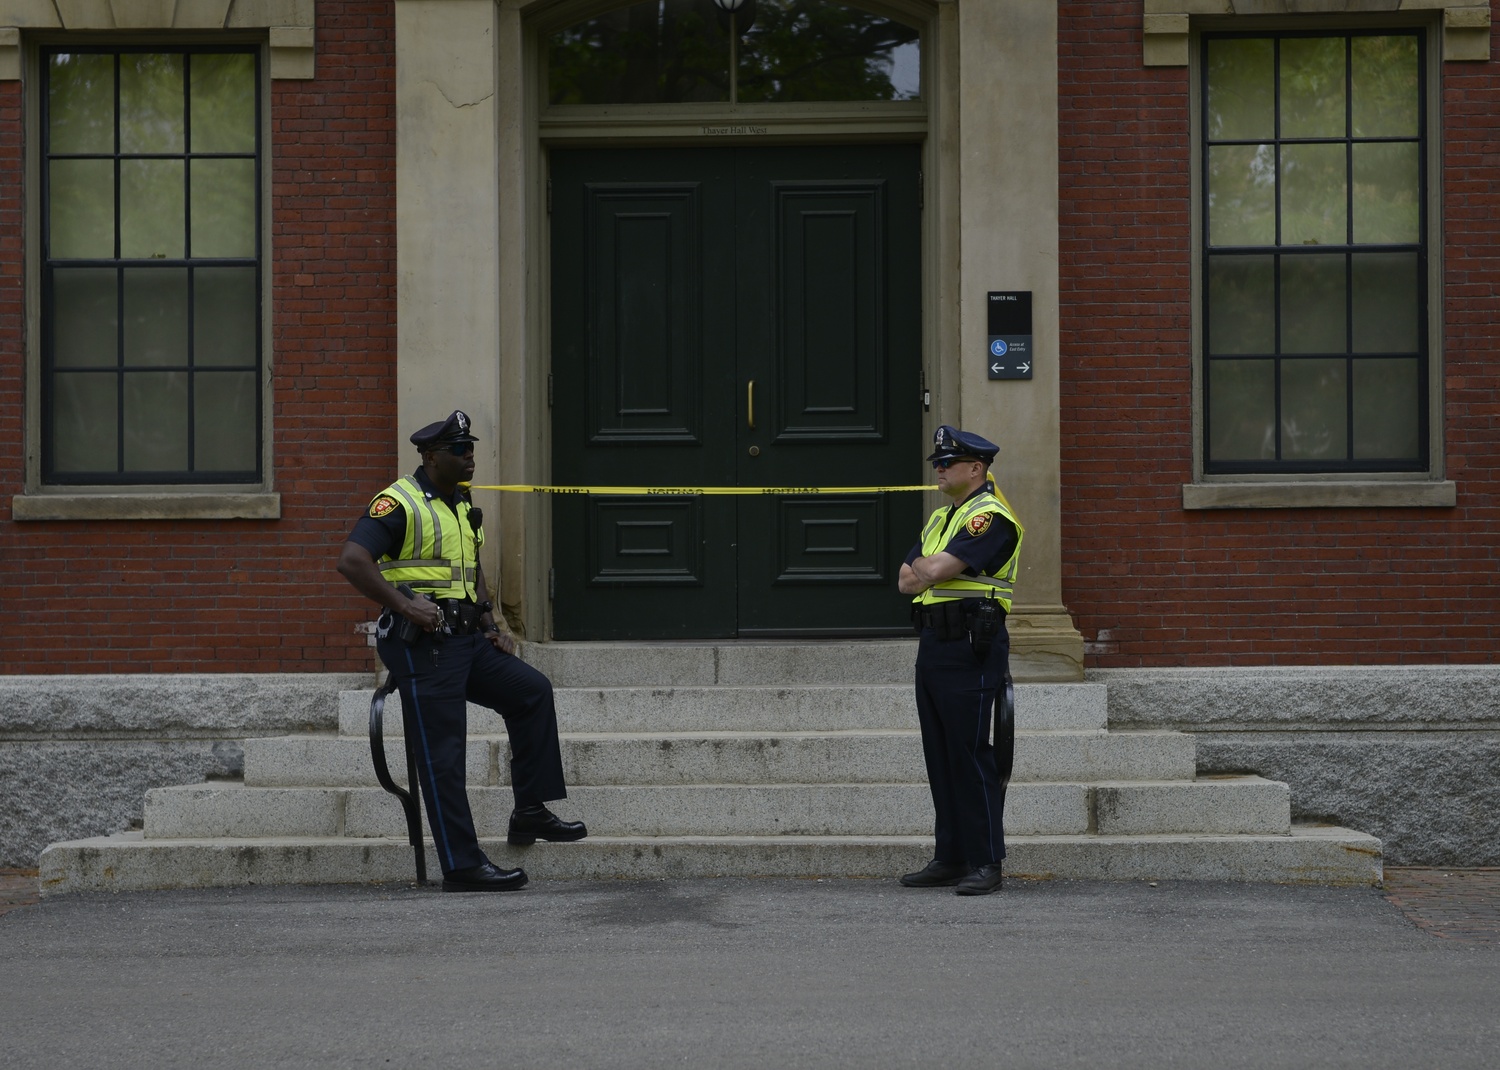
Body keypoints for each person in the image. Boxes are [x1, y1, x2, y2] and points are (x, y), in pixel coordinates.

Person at [336, 410, 586, 893]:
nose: (470, 456)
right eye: (459, 449)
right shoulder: (399, 502)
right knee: (444, 752)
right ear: (431, 456)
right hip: (423, 645)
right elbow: (352, 560)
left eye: (471, 448)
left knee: (532, 692)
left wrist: (492, 623)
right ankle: (462, 866)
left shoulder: (461, 501)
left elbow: (471, 568)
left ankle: (529, 811)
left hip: (467, 639)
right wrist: (406, 605)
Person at [897, 424, 1024, 896]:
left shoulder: (988, 517)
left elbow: (930, 569)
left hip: (970, 644)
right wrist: (929, 570)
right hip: (934, 644)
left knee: (970, 754)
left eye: (947, 463)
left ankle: (986, 860)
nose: (939, 469)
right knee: (941, 755)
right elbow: (905, 581)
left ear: (976, 468)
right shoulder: (940, 519)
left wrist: (929, 569)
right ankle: (950, 856)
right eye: (937, 463)